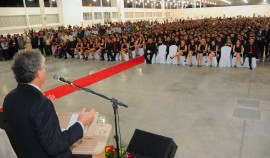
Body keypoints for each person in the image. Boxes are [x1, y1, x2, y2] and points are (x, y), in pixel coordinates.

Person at [3, 50, 95, 157]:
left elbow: (27, 123)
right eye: (44, 66)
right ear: (38, 72)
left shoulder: (9, 98)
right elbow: (56, 146)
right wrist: (80, 124)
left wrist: (43, 109)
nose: (46, 69)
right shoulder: (40, 104)